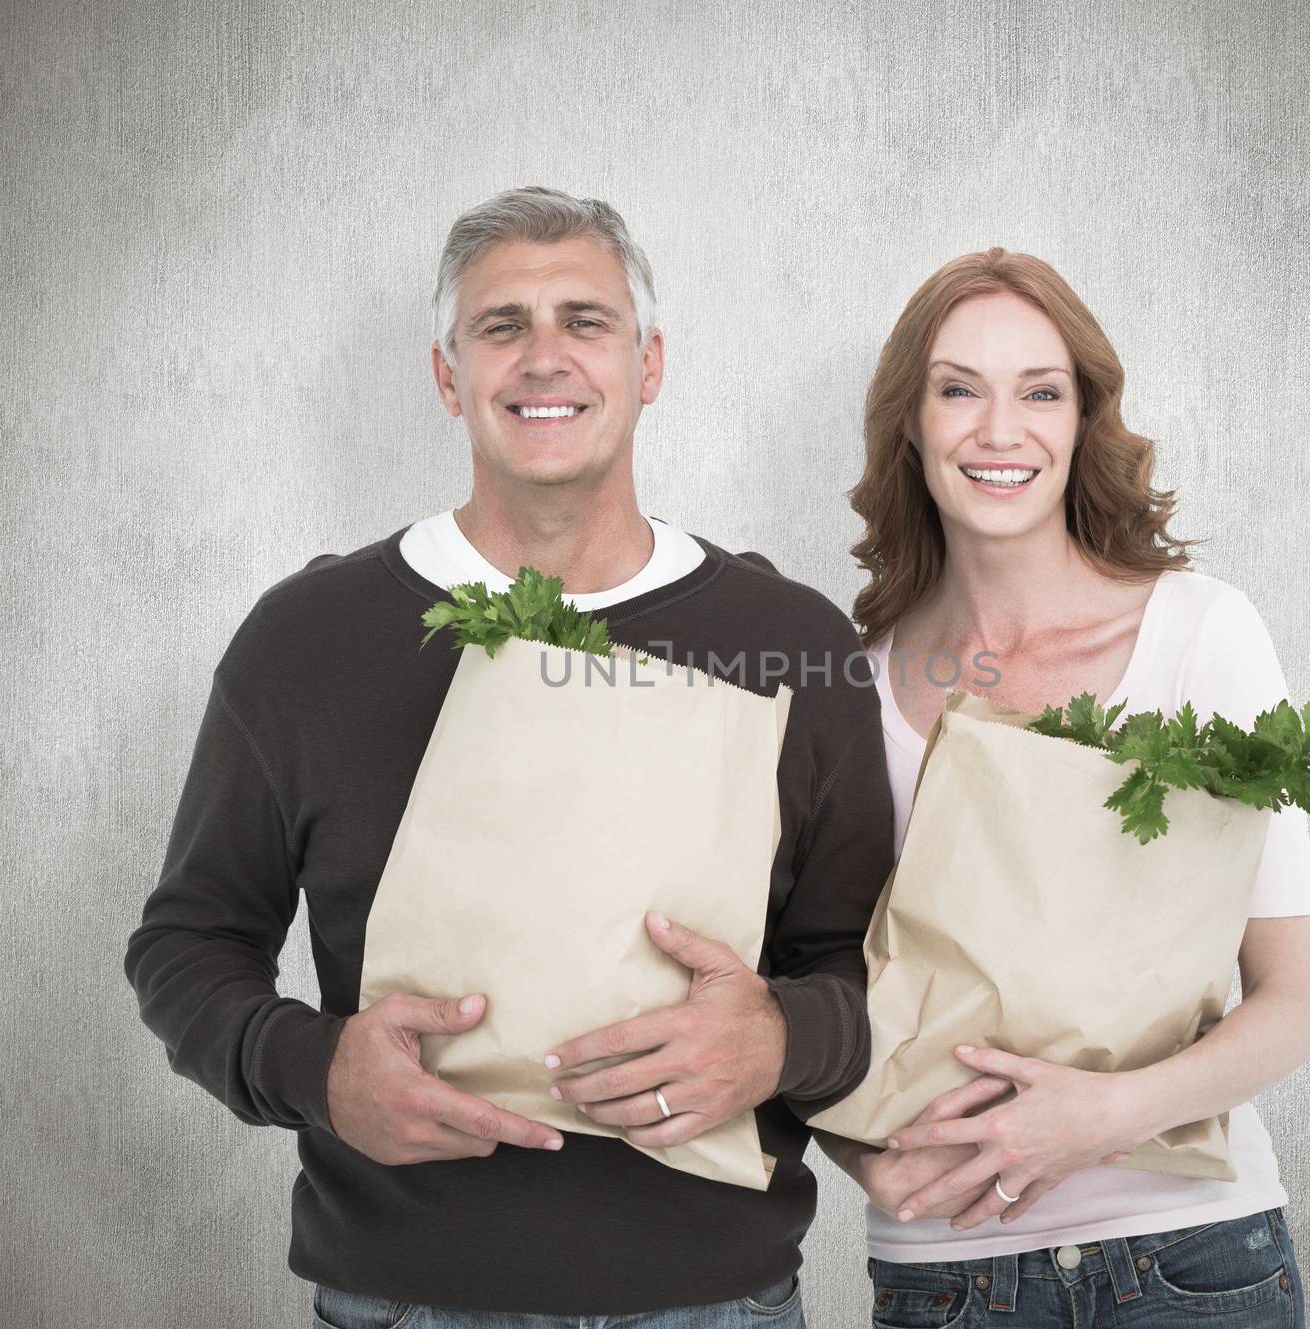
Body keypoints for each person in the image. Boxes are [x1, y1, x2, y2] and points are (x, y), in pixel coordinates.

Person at [123, 185, 894, 1326]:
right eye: (501, 327)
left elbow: (867, 962)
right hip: (402, 1298)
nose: (545, 359)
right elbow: (189, 943)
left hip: (716, 1303)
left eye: (585, 321)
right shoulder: (309, 638)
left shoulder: (789, 644)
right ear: (448, 376)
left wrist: (784, 1039)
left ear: (650, 363)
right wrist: (317, 1071)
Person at [814, 248, 1310, 1326]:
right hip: (945, 1270)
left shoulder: (1198, 633)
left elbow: (1292, 1002)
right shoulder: (848, 685)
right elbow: (808, 988)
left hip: (1190, 1257)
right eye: (958, 389)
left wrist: (1104, 1115)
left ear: (1082, 418)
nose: (1000, 431)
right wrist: (863, 1160)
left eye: (1039, 392)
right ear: (908, 422)